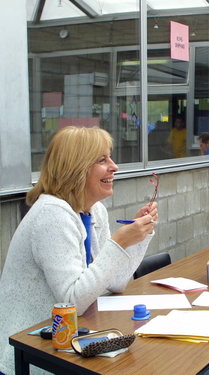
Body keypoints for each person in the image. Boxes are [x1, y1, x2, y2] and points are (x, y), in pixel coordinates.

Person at [0, 126, 158, 375]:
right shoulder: (51, 215)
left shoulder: (95, 210)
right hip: (28, 355)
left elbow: (115, 281)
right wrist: (119, 243)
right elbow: (72, 301)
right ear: (75, 168)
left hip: (62, 343)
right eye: (102, 160)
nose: (114, 166)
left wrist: (139, 236)